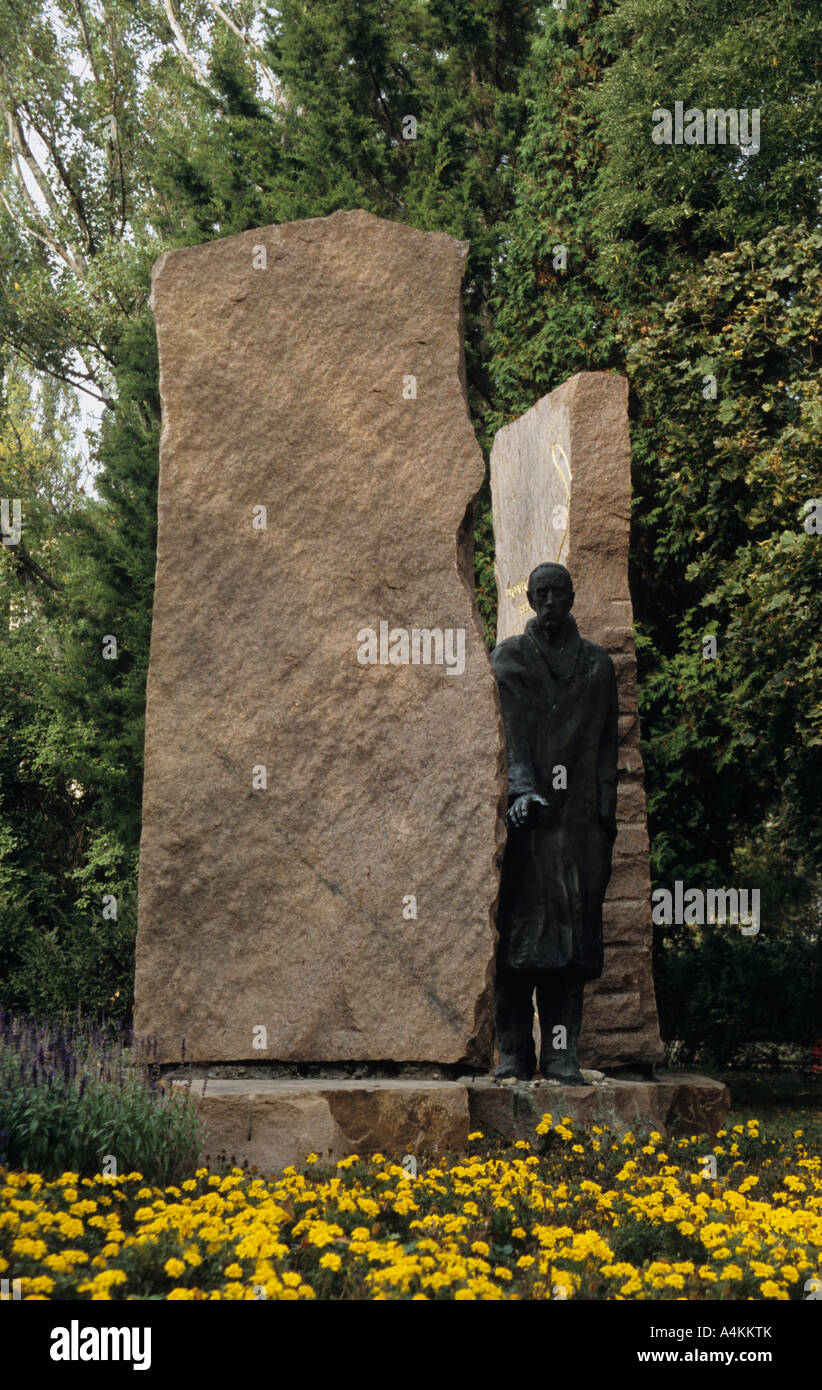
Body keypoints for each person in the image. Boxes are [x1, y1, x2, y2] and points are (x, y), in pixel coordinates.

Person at [490, 562, 619, 1082]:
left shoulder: (596, 666)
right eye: (540, 594)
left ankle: (562, 1054)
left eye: (557, 593)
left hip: (581, 825)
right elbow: (504, 739)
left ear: (571, 596)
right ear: (529, 599)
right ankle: (514, 1053)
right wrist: (519, 795)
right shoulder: (511, 660)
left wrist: (605, 820)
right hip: (525, 823)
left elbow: (608, 748)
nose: (549, 603)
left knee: (572, 944)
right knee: (517, 943)